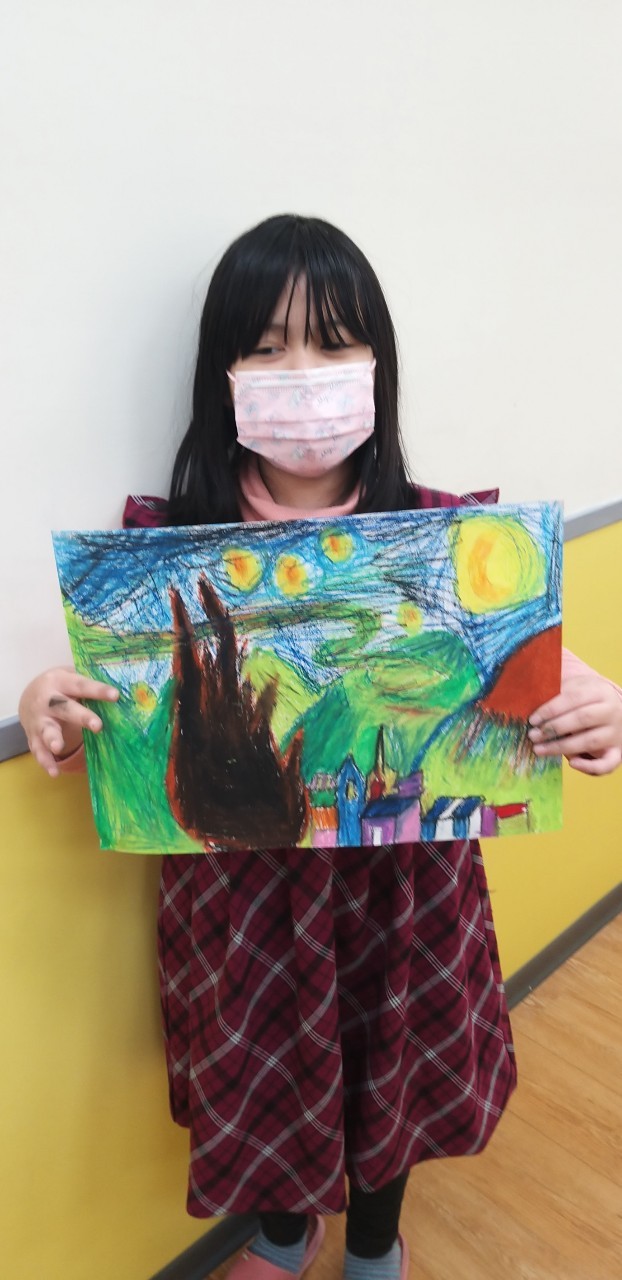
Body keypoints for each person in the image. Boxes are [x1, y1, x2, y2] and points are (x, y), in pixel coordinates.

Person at [18, 215, 622, 1280]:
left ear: (378, 366)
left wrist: (595, 707)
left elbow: (530, 668)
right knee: (262, 1074)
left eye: (334, 343)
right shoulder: (162, 550)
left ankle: (376, 1243)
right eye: (267, 347)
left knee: (393, 1072)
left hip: (407, 892)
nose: (303, 374)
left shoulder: (443, 534)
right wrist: (52, 707)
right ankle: (284, 1231)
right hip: (242, 902)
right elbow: (119, 709)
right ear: (223, 376)